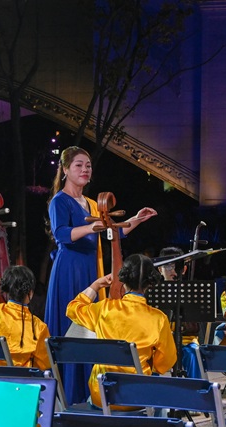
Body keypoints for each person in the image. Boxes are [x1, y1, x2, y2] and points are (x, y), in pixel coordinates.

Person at [44, 146, 157, 404]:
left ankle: (90, 391)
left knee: (93, 329)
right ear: (65, 169)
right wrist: (90, 227)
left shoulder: (93, 203)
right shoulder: (60, 201)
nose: (85, 170)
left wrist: (137, 219)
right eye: (79, 165)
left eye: (88, 165)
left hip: (90, 267)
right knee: (72, 326)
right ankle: (67, 394)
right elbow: (61, 234)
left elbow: (113, 231)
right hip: (70, 269)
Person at [65, 254, 176, 409]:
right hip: (137, 398)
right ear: (149, 284)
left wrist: (96, 285)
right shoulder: (159, 319)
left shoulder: (104, 309)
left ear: (123, 280)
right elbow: (166, 362)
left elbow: (72, 308)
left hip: (102, 395)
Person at [156, 246, 201, 379]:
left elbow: (195, 327)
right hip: (160, 343)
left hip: (185, 340)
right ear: (160, 269)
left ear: (184, 269)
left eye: (176, 266)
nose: (173, 270)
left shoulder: (191, 292)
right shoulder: (154, 292)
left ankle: (195, 389)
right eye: (168, 266)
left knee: (193, 353)